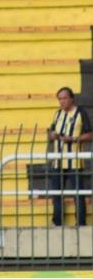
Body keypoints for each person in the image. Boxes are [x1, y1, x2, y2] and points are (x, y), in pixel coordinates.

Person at [48, 86, 93, 226]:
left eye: (64, 98)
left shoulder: (80, 113)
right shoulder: (57, 114)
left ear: (71, 98)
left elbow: (90, 135)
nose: (62, 102)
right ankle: (57, 222)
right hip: (57, 161)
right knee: (56, 194)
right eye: (60, 99)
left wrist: (73, 139)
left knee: (78, 194)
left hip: (74, 161)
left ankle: (80, 223)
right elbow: (51, 131)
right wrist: (52, 135)